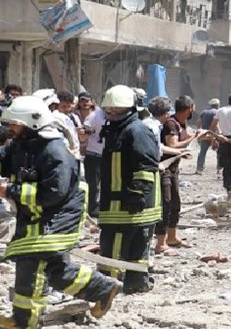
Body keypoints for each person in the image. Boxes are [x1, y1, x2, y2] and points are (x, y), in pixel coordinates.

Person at [0, 95, 123, 327]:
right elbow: (5, 159)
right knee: (55, 270)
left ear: (31, 122)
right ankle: (103, 288)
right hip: (39, 218)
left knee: (31, 266)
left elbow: (52, 193)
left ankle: (24, 321)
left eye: (14, 124)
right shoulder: (23, 144)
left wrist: (9, 191)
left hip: (57, 220)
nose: (10, 129)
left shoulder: (54, 151)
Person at [96, 85, 161, 293]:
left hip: (131, 204)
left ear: (131, 109)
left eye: (118, 111)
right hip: (117, 203)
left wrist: (137, 193)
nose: (113, 115)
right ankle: (134, 283)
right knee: (124, 243)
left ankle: (112, 285)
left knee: (122, 244)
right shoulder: (116, 130)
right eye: (109, 111)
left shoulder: (137, 130)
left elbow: (146, 165)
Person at [152, 97, 194, 254]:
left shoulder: (181, 123)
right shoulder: (171, 123)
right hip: (164, 169)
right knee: (166, 203)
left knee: (176, 203)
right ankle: (160, 242)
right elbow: (172, 145)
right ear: (190, 107)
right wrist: (192, 140)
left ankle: (172, 237)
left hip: (174, 169)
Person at [81, 96, 107, 219]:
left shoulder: (115, 115)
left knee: (105, 184)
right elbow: (85, 132)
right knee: (93, 184)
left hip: (107, 154)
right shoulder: (95, 115)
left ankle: (102, 205)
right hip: (94, 154)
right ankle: (92, 208)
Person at [194, 98, 220, 174]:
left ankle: (199, 169)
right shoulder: (218, 112)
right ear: (218, 105)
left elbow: (198, 122)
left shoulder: (204, 112)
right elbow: (217, 124)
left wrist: (199, 130)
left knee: (202, 152)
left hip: (205, 135)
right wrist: (218, 134)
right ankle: (219, 168)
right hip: (215, 135)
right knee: (219, 152)